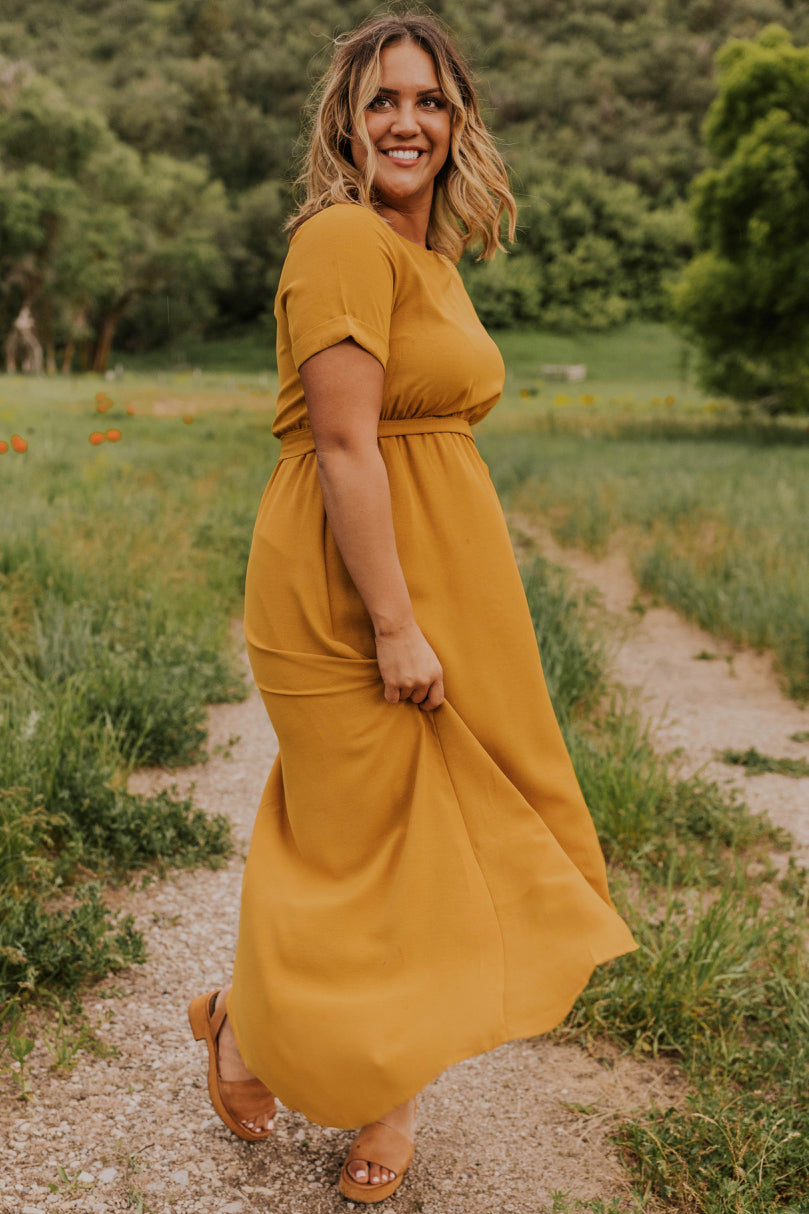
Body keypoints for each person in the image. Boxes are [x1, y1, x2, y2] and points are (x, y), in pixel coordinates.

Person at [189, 10, 636, 1204]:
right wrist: (393, 619)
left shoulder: (430, 256)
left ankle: (386, 1093)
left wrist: (437, 606)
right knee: (352, 837)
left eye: (428, 101)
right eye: (383, 99)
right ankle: (243, 1023)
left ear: (456, 123)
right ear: (346, 119)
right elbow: (343, 443)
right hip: (343, 586)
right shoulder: (340, 236)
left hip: (450, 573)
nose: (405, 120)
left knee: (443, 835)